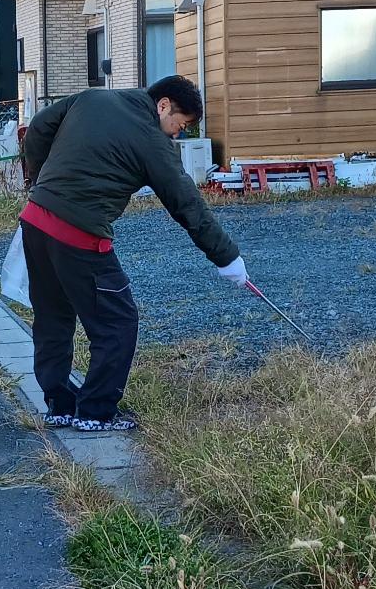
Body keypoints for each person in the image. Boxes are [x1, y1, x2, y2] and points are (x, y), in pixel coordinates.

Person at [18, 76, 245, 432]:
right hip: (79, 230)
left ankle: (59, 404)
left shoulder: (91, 97)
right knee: (117, 322)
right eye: (180, 125)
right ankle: (95, 412)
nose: (177, 134)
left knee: (52, 315)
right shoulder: (151, 140)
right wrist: (226, 257)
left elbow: (37, 130)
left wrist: (41, 179)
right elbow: (186, 202)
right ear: (164, 105)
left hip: (35, 219)